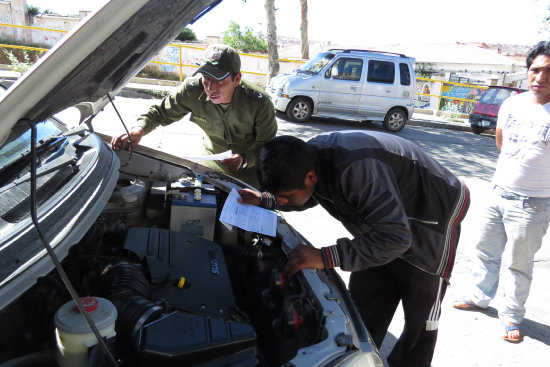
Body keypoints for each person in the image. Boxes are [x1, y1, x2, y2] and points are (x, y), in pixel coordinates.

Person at [238, 131, 470, 367]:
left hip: (432, 215)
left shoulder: (356, 170)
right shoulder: (310, 161)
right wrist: (266, 199)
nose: (283, 202)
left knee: (421, 312)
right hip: (386, 221)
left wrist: (325, 256)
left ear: (309, 177)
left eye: (285, 197)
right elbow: (311, 194)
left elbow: (396, 238)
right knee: (366, 299)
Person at [452, 41, 550, 343]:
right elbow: (501, 142)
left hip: (532, 203)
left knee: (518, 265)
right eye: (535, 70)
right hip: (498, 193)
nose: (539, 77)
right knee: (485, 250)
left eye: (548, 71)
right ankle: (480, 297)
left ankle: (511, 316)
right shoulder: (512, 104)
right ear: (527, 72)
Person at [111, 44, 277, 187]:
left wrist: (244, 159)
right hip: (210, 168)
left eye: (219, 80)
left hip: (248, 175)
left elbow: (269, 147)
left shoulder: (258, 103)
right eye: (206, 78)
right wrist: (139, 130)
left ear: (237, 79)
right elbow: (160, 112)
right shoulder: (192, 90)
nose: (210, 87)